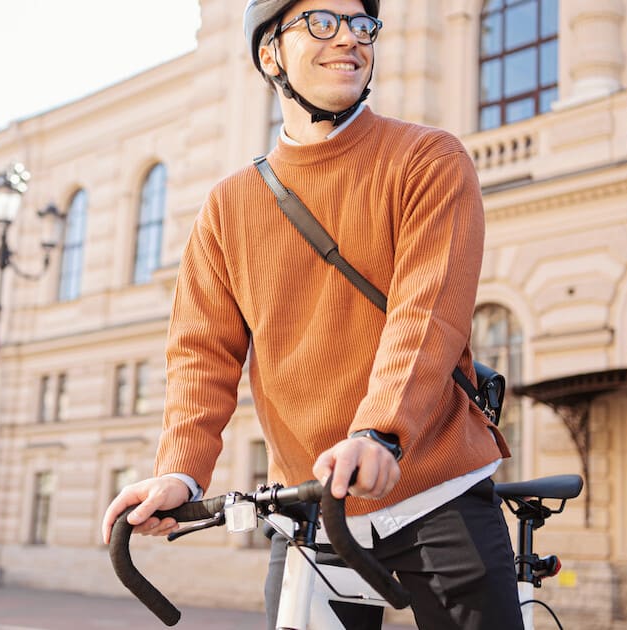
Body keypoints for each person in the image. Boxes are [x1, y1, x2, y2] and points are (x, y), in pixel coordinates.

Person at [101, 1, 521, 628]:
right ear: (270, 54)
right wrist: (181, 473)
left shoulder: (426, 159)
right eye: (323, 22)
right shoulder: (226, 208)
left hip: (434, 490)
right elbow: (200, 355)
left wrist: (380, 431)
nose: (349, 38)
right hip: (309, 507)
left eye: (362, 25)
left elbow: (427, 313)